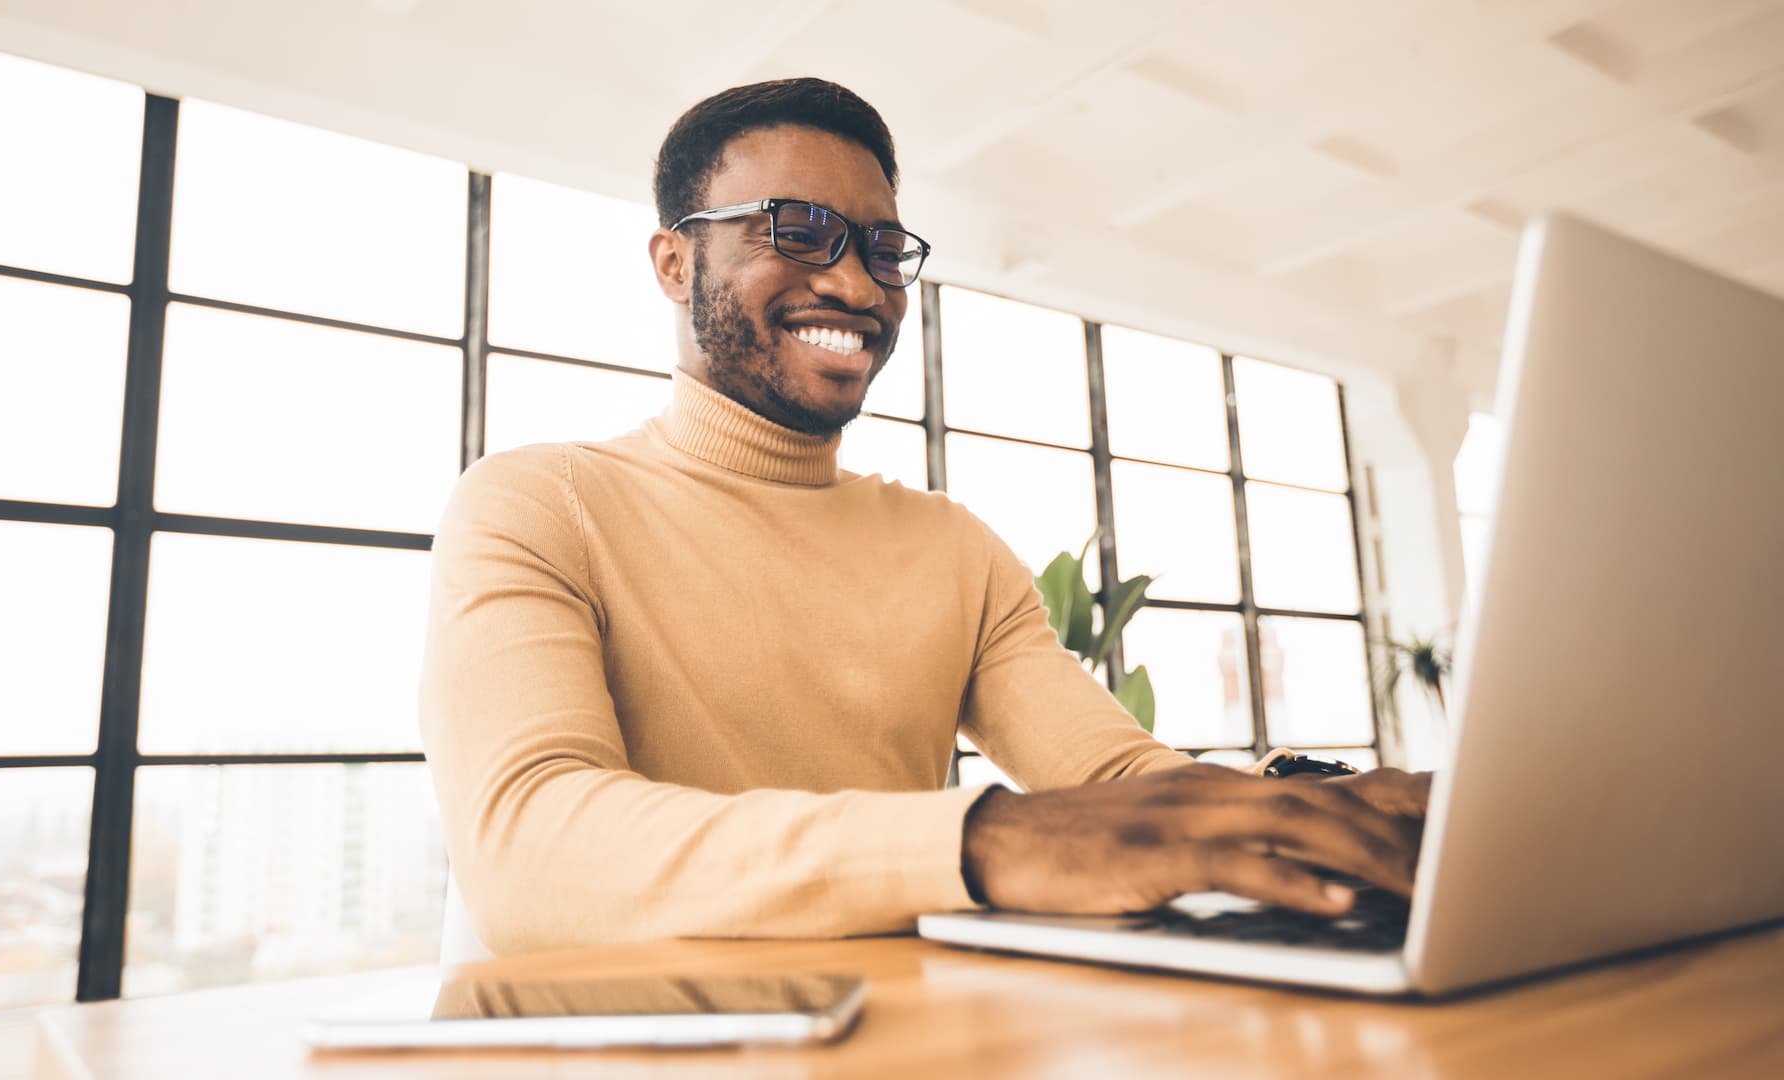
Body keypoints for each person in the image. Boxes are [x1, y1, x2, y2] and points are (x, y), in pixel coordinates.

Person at [419, 77, 1430, 956]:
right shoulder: (538, 504)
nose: (857, 284)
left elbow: (1121, 781)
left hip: (900, 1035)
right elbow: (528, 846)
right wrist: (983, 840)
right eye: (797, 229)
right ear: (675, 264)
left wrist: (1323, 808)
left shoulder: (952, 551)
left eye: (883, 246)